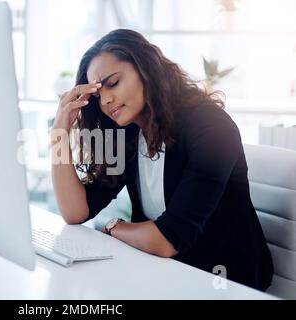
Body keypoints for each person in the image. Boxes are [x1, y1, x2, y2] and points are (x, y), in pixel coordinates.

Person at [50, 29, 273, 291]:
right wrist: (59, 135)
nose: (106, 100)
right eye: (97, 96)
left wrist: (114, 227)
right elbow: (76, 212)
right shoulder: (129, 132)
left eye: (113, 83)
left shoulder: (210, 127)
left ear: (147, 69)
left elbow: (167, 240)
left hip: (224, 280)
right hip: (162, 271)